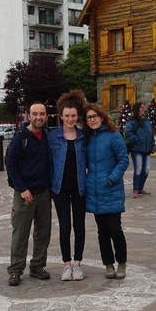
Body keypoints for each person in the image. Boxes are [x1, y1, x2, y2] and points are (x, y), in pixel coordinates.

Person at [5, 101, 52, 286]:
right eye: (35, 114)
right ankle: (16, 270)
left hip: (44, 193)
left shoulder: (47, 137)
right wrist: (22, 189)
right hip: (24, 194)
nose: (39, 117)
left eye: (42, 114)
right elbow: (10, 165)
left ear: (46, 116)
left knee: (43, 233)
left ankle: (37, 266)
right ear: (29, 116)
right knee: (20, 234)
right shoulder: (20, 138)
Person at [83, 103, 130, 279]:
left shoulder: (113, 135)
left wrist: (112, 178)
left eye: (94, 116)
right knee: (101, 231)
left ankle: (122, 262)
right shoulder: (87, 138)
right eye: (88, 118)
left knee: (114, 229)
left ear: (102, 117)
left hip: (111, 189)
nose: (92, 120)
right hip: (94, 190)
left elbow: (123, 160)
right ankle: (108, 264)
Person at [49, 90, 87, 281]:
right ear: (61, 116)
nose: (70, 119)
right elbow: (47, 163)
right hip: (59, 189)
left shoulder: (83, 137)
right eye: (67, 116)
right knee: (65, 226)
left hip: (80, 188)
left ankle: (78, 264)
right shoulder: (52, 137)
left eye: (73, 115)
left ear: (78, 115)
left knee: (79, 226)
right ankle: (66, 264)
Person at [124, 101, 156, 198]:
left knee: (146, 169)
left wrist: (153, 144)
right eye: (141, 107)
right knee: (138, 169)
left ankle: (141, 188)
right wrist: (137, 140)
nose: (143, 109)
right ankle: (136, 189)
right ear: (137, 109)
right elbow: (128, 133)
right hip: (137, 149)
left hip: (147, 149)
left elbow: (151, 133)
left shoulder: (147, 120)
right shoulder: (132, 121)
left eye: (143, 107)